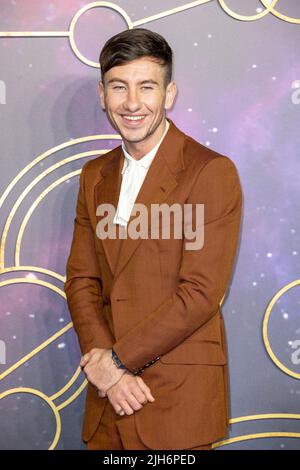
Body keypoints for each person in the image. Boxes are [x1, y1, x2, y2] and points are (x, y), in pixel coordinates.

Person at [64, 28, 243, 450]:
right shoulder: (94, 175)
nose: (131, 103)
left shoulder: (209, 172)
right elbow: (81, 282)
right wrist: (106, 368)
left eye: (147, 87)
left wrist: (117, 362)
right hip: (109, 404)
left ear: (169, 94)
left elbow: (200, 293)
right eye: (118, 87)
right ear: (102, 94)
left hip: (175, 399)